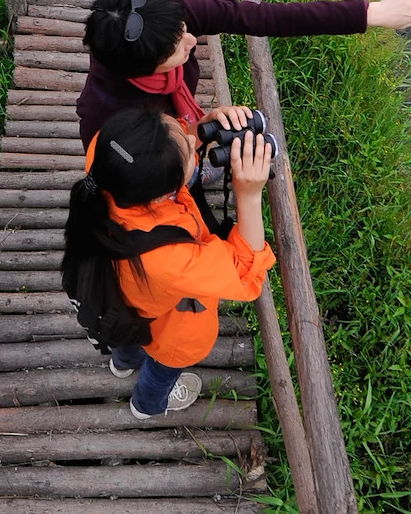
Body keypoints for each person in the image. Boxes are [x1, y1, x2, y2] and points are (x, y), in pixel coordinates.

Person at [62, 107, 276, 418]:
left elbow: (154, 143)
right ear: (165, 195)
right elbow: (245, 276)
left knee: (124, 336)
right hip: (169, 331)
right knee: (162, 369)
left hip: (113, 302)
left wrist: (199, 126)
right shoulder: (170, 259)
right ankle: (146, 404)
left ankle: (122, 364)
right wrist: (249, 195)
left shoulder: (107, 152)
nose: (191, 139)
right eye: (190, 148)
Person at [76, 0, 411, 147]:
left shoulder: (174, 17)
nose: (193, 41)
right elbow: (126, 183)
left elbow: (263, 18)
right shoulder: (111, 118)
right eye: (178, 50)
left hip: (179, 129)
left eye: (186, 31)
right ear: (144, 71)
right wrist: (187, 143)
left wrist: (369, 13)